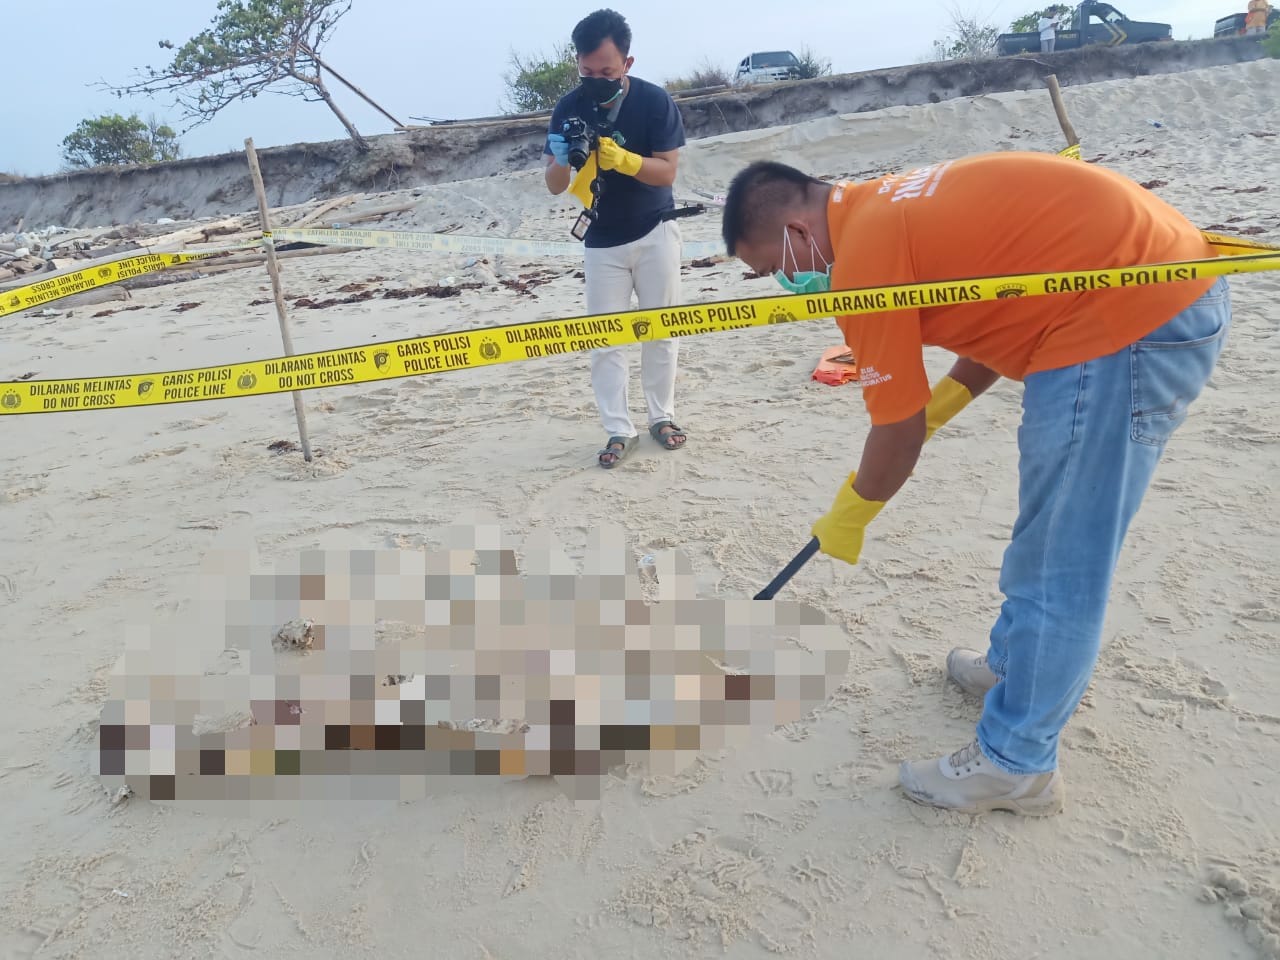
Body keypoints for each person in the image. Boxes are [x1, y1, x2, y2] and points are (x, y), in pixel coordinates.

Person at [720, 151, 1231, 816]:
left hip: (1125, 321)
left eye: (773, 269)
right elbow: (998, 306)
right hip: (1145, 290)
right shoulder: (882, 205)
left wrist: (851, 512)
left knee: (1061, 559)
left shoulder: (863, 262)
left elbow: (897, 431)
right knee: (1045, 533)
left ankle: (1016, 764)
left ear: (796, 232)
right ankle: (1018, 667)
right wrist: (946, 400)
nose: (786, 283)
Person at [543, 8, 689, 468]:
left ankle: (661, 417)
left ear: (627, 63)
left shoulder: (654, 101)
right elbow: (553, 185)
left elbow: (668, 170)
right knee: (604, 338)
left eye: (606, 72)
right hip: (601, 238)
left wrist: (627, 161)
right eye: (586, 72)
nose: (596, 81)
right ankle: (618, 429)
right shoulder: (569, 108)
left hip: (655, 227)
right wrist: (561, 158)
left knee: (661, 329)